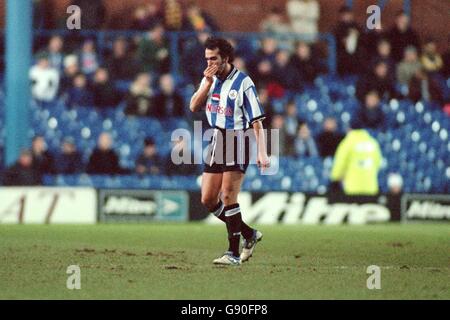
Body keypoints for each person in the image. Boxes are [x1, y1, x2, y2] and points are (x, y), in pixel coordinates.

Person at [189, 37, 270, 265]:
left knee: (228, 196)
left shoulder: (243, 83)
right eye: (206, 59)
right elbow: (194, 106)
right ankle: (248, 233)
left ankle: (232, 253)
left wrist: (262, 153)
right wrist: (205, 82)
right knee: (207, 199)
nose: (210, 63)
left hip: (238, 139)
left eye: (214, 58)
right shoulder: (210, 80)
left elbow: (257, 121)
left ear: (225, 57)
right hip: (217, 139)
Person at [330, 120, 383, 195]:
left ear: (350, 129)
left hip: (352, 187)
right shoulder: (372, 142)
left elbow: (340, 163)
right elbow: (378, 163)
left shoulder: (347, 143)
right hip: (370, 186)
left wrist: (335, 178)